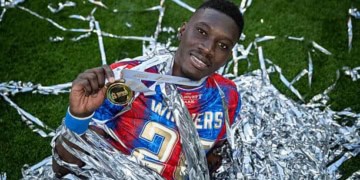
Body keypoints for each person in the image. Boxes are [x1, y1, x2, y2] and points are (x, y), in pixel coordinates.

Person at [53, 0, 244, 179]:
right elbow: (62, 168)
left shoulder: (227, 95)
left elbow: (215, 151)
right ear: (183, 30)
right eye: (202, 32)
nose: (208, 49)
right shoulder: (127, 79)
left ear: (228, 55)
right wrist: (78, 117)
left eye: (222, 45)